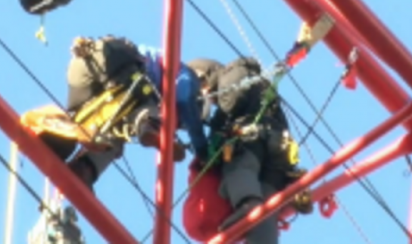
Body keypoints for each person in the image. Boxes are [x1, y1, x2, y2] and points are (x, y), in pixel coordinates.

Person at [187, 57, 311, 244]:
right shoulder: (259, 83)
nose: (206, 95)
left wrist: (216, 122)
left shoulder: (231, 73)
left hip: (253, 138)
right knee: (267, 207)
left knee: (238, 168)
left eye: (202, 86)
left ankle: (248, 204)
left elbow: (232, 101)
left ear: (206, 75)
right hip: (279, 148)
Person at [64, 35, 209, 191]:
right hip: (113, 63)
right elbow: (185, 100)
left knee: (112, 131)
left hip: (83, 69)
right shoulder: (185, 74)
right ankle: (150, 125)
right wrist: (202, 150)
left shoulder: (150, 56)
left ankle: (82, 166)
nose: (180, 125)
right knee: (145, 105)